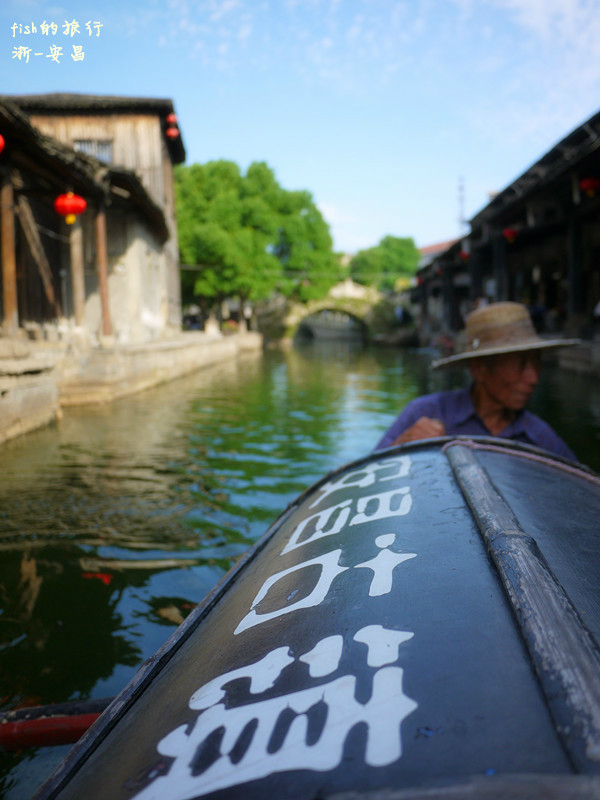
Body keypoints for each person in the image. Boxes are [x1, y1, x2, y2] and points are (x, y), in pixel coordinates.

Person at [375, 301, 580, 460]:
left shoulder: (540, 438)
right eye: (520, 365)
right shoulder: (424, 412)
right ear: (479, 369)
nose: (534, 378)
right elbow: (364, 481)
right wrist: (402, 445)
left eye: (536, 364)